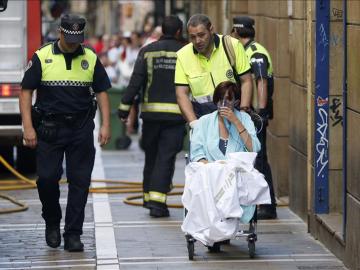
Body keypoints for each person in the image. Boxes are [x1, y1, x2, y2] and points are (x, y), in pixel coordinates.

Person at [19, 14, 111, 251]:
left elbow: (101, 92)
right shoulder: (43, 56)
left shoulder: (89, 57)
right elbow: (26, 91)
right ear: (59, 32)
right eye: (69, 37)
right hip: (50, 129)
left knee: (80, 182)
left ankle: (73, 234)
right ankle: (52, 221)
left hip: (80, 129)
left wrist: (105, 125)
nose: (73, 43)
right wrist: (28, 127)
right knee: (47, 179)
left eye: (77, 38)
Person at [117, 15, 186, 217]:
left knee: (151, 156)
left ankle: (148, 197)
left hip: (151, 116)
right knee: (166, 158)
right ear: (179, 32)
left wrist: (124, 107)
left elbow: (135, 81)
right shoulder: (185, 52)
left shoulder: (147, 52)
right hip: (175, 116)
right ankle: (157, 204)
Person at [232, 16, 277, 219]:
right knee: (252, 158)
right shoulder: (244, 51)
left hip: (254, 115)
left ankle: (267, 206)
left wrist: (260, 112)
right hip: (246, 114)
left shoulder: (255, 53)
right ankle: (256, 203)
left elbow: (261, 82)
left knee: (259, 158)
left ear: (236, 31)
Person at [175, 14, 253, 128]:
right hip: (202, 120)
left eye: (201, 35)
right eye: (192, 37)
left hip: (233, 116)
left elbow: (246, 81)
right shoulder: (183, 55)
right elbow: (181, 93)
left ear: (211, 30)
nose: (197, 41)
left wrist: (243, 113)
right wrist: (194, 124)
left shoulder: (232, 45)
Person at [190, 81, 260, 163]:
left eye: (228, 99)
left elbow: (254, 149)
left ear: (236, 102)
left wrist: (236, 121)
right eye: (220, 99)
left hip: (238, 172)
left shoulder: (244, 119)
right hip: (210, 172)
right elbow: (196, 154)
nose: (223, 103)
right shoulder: (204, 121)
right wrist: (214, 169)